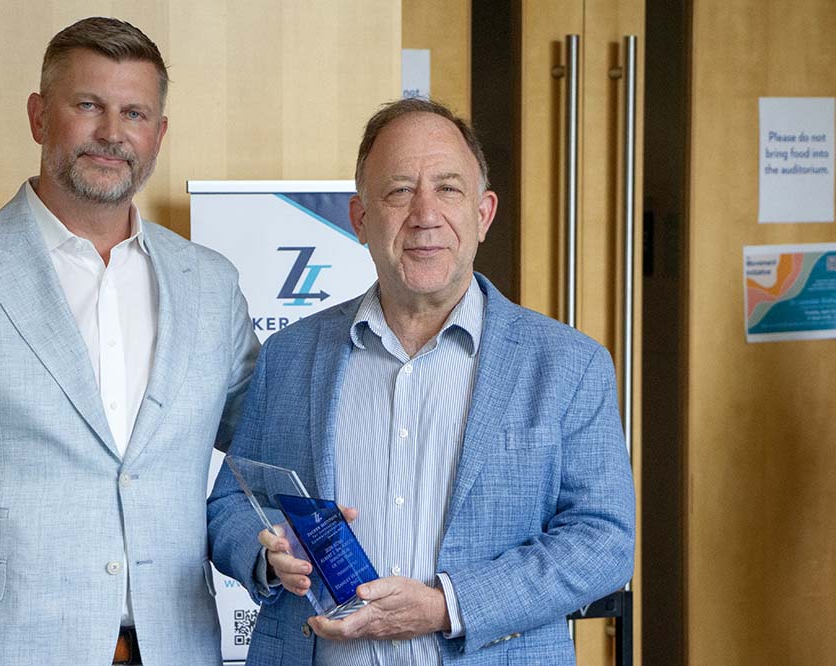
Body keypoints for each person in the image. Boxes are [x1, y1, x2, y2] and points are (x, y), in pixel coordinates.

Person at [0, 17, 258, 666]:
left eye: (135, 113)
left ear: (159, 134)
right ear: (38, 117)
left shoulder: (210, 286)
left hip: (177, 648)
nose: (112, 134)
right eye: (87, 105)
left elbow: (262, 455)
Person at [207, 97, 635, 665]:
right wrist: (265, 553)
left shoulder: (568, 365)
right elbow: (232, 502)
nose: (425, 214)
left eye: (449, 189)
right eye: (400, 190)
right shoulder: (290, 355)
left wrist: (445, 605)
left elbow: (603, 540)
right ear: (360, 220)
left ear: (483, 214)